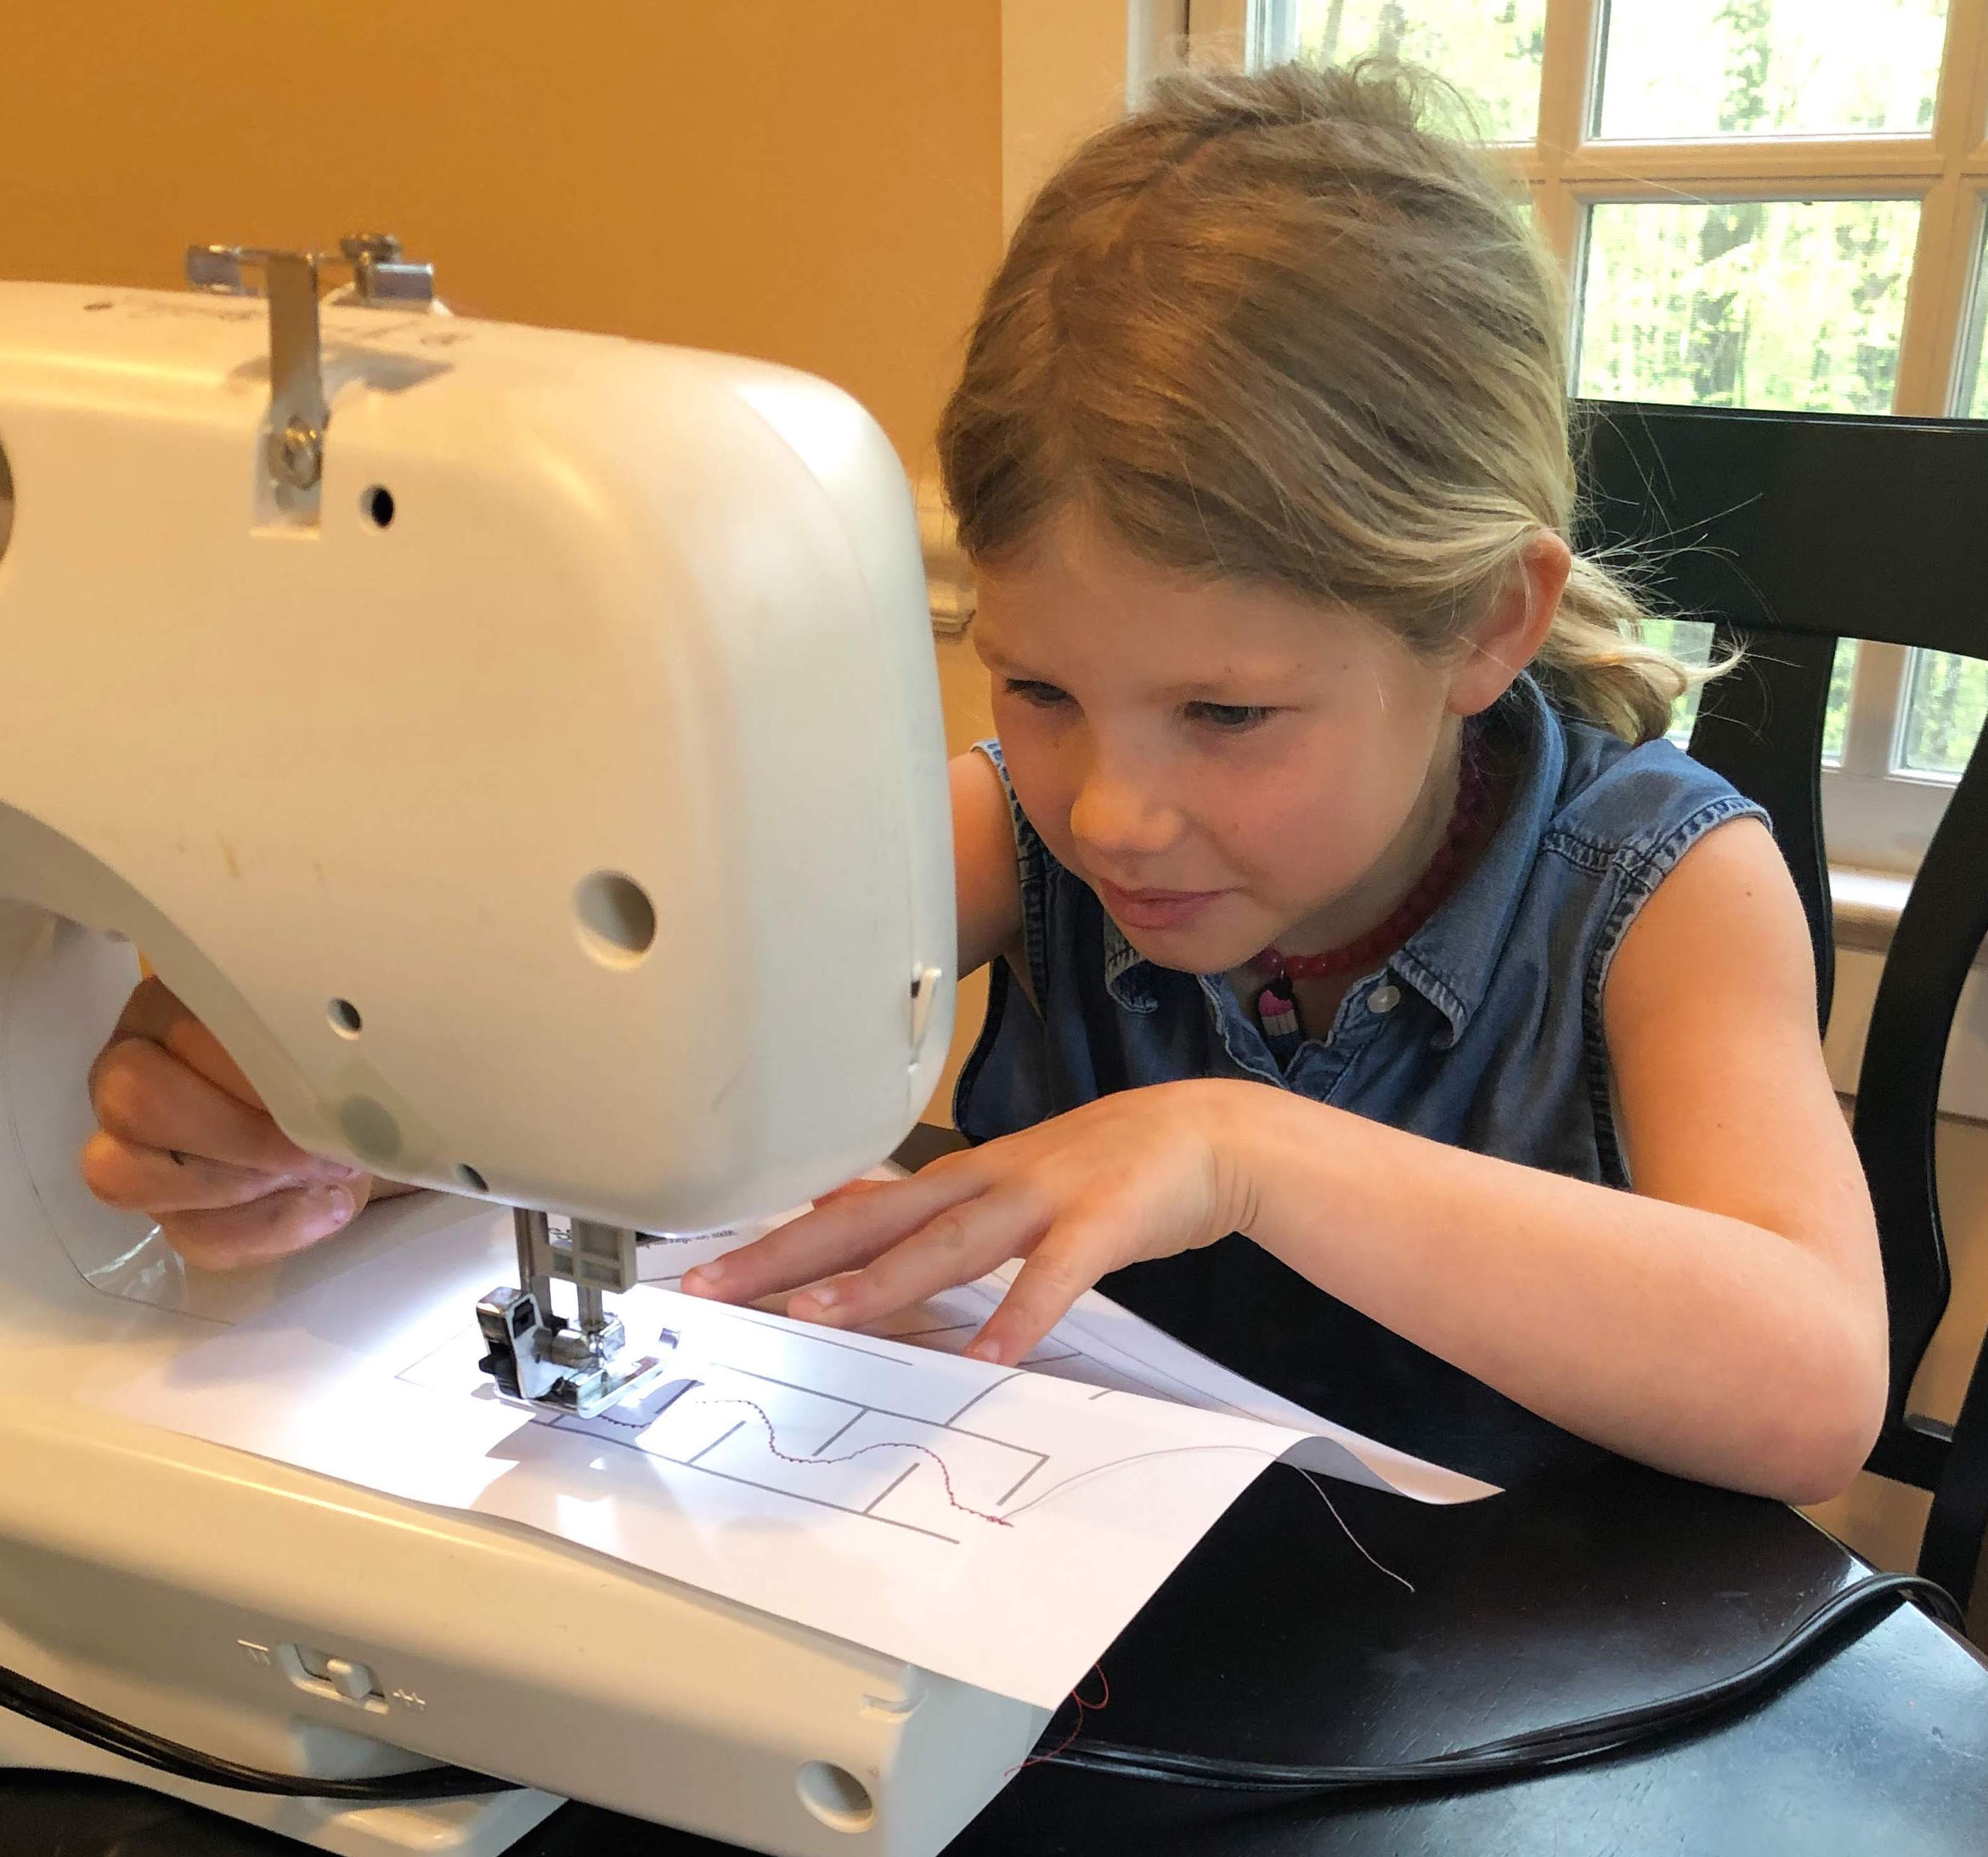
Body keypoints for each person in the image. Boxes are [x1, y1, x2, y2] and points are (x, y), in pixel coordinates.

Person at [80, 62, 1885, 1503]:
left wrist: (1240, 1149)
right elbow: (628, 1021)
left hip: (1527, 1720)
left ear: (1487, 627)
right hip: (1096, 1641)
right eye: (1035, 687)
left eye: (1228, 716)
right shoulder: (1013, 837)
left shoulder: (1651, 882)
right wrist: (335, 1112)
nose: (1107, 810)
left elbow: (1811, 1389)